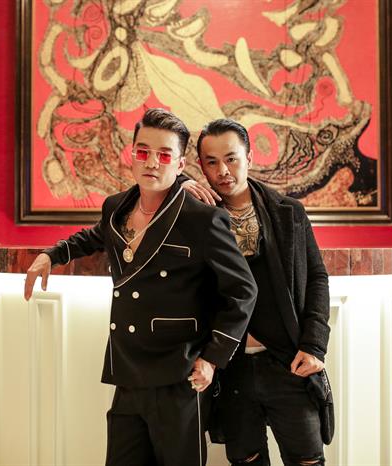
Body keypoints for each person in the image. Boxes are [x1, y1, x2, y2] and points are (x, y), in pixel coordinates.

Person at [23, 108, 257, 466]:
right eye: (143, 151)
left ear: (180, 164)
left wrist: (212, 358)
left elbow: (243, 290)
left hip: (179, 374)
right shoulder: (116, 207)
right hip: (127, 368)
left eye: (164, 155)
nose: (151, 162)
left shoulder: (202, 217)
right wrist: (51, 254)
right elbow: (94, 237)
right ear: (131, 154)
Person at [182, 118, 331, 466]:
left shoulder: (288, 212)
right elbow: (143, 197)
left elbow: (317, 278)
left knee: (308, 461)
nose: (223, 171)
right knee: (246, 461)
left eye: (231, 158)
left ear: (249, 158)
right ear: (201, 166)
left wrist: (314, 345)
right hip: (229, 368)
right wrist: (178, 186)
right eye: (211, 162)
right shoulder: (194, 217)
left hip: (288, 361)